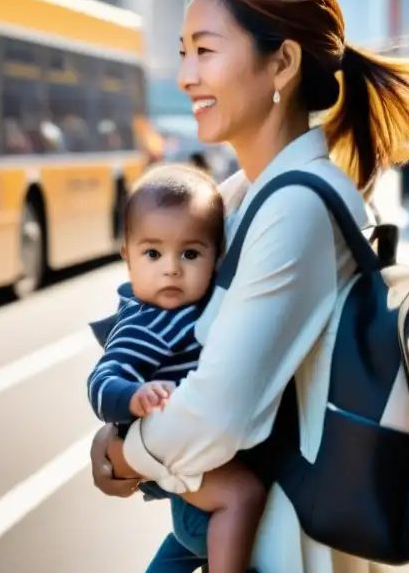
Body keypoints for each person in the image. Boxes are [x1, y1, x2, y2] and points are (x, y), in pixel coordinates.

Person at [88, 0, 409, 572]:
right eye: (183, 52)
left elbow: (216, 415)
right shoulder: (246, 194)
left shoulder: (296, 208)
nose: (185, 75)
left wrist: (121, 451)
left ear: (281, 62)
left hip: (288, 546)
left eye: (205, 50)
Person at [87, 164, 266, 573]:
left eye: (190, 253)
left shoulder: (199, 306)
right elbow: (101, 379)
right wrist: (131, 397)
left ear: (215, 257)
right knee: (240, 498)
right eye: (152, 253)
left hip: (196, 459)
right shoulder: (146, 323)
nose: (171, 268)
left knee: (186, 544)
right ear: (127, 259)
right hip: (189, 461)